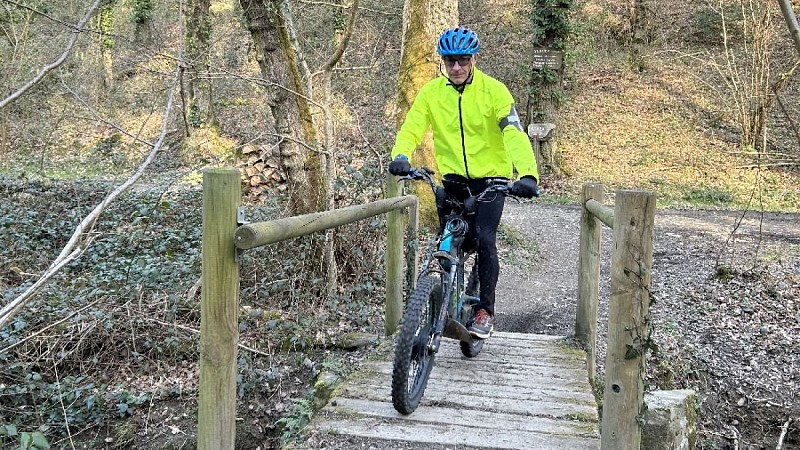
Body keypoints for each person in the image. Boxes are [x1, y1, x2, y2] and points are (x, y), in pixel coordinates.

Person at [387, 26, 540, 339]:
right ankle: (440, 297)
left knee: (484, 240)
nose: (456, 67)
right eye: (450, 61)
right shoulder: (432, 93)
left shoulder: (494, 92)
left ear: (474, 59)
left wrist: (527, 174)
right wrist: (401, 155)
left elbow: (513, 133)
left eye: (463, 60)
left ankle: (485, 311)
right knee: (450, 239)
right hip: (454, 180)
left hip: (491, 182)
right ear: (443, 62)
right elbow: (411, 128)